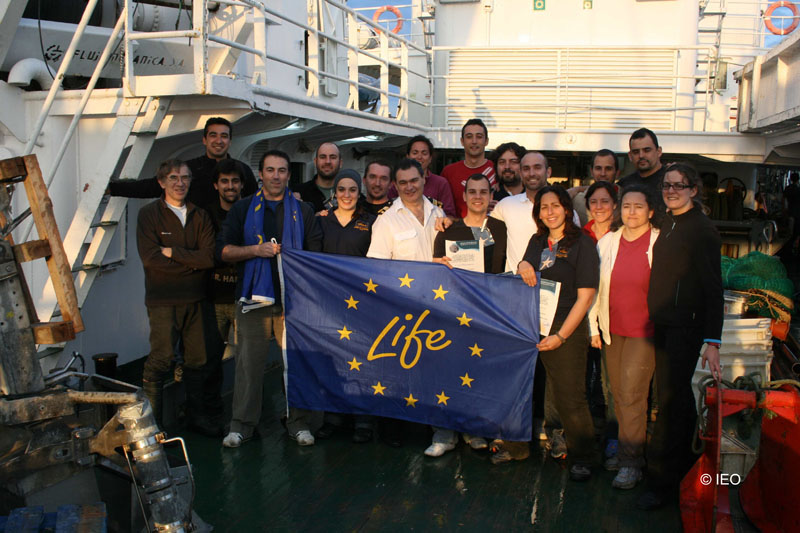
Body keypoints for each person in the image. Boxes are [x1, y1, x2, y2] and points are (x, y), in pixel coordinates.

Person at [218, 150, 324, 448]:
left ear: (289, 175)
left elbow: (315, 255)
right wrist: (256, 250)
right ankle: (242, 426)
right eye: (270, 170)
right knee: (248, 366)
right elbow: (223, 251)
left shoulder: (303, 211)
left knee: (296, 366)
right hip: (253, 300)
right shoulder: (242, 209)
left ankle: (298, 423)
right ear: (260, 174)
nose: (276, 176)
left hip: (293, 302)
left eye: (282, 170)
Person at [638, 163, 723, 510]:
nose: (671, 191)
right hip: (663, 324)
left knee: (671, 403)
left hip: (684, 328)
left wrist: (713, 342)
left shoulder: (702, 230)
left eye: (679, 185)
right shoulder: (670, 223)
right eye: (667, 185)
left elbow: (714, 289)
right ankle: (687, 471)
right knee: (677, 402)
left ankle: (663, 484)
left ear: (693, 190)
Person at [517, 185, 599, 482]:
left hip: (566, 329)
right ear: (537, 213)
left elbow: (585, 298)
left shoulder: (582, 244)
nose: (549, 212)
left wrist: (561, 336)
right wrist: (523, 263)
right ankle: (517, 445)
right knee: (525, 387)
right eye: (543, 207)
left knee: (570, 397)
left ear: (566, 208)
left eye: (555, 205)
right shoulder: (537, 240)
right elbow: (525, 266)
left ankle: (583, 457)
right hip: (534, 325)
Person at [136, 159, 222, 437]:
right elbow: (151, 259)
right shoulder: (149, 215)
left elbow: (208, 258)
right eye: (173, 177)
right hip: (163, 301)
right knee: (161, 359)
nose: (180, 183)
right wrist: (192, 266)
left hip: (196, 300)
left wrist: (173, 253)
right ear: (161, 182)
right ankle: (152, 426)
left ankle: (196, 418)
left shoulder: (199, 215)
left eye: (185, 177)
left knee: (197, 360)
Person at [367, 158, 446, 452]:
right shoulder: (386, 221)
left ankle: (429, 426)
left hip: (436, 306)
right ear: (394, 186)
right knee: (396, 371)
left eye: (414, 180)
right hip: (401, 307)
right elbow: (377, 269)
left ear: (424, 178)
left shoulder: (439, 213)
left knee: (431, 370)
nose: (409, 187)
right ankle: (392, 429)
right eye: (402, 183)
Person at [588, 185, 659, 489]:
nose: (631, 212)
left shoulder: (659, 242)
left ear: (651, 211)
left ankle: (632, 463)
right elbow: (594, 288)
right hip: (611, 330)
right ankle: (624, 452)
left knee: (632, 395)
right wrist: (593, 327)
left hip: (645, 332)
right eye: (627, 206)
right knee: (617, 394)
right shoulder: (608, 242)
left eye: (638, 206)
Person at [317, 169, 378, 444]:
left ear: (359, 192)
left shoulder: (372, 222)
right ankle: (333, 417)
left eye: (352, 189)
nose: (346, 195)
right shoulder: (321, 220)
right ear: (334, 192)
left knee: (362, 359)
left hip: (361, 303)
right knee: (333, 360)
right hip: (330, 302)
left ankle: (363, 420)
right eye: (341, 189)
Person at [109, 117, 258, 209]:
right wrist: (112, 189)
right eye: (213, 135)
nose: (219, 141)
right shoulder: (189, 169)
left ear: (230, 141)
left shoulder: (243, 170)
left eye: (224, 136)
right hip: (198, 239)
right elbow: (152, 187)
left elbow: (255, 204)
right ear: (204, 140)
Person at [434, 173, 507, 275]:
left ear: (491, 196)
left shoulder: (503, 229)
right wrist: (440, 265)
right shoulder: (447, 231)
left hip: (495, 285)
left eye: (483, 192)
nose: (478, 197)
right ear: (464, 196)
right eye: (472, 192)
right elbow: (436, 269)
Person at [441, 118, 497, 217]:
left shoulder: (497, 170)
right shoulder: (449, 172)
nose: (474, 141)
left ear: (486, 141)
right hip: (458, 226)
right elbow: (442, 207)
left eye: (479, 137)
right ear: (462, 141)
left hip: (492, 225)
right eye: (469, 137)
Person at [390, 135, 457, 216]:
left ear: (430, 158)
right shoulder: (399, 182)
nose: (419, 157)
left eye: (424, 153)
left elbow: (449, 214)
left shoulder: (441, 183)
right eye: (415, 153)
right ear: (407, 156)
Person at [618, 128, 667, 206]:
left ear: (659, 151)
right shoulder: (624, 185)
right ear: (630, 156)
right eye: (636, 152)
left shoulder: (671, 181)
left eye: (647, 150)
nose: (641, 155)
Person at [571, 149, 621, 225]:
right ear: (591, 172)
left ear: (617, 173)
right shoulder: (577, 201)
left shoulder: (626, 199)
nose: (603, 173)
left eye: (608, 169)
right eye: (598, 168)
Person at [296, 142, 342, 212]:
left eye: (333, 157)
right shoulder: (299, 193)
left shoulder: (352, 195)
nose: (327, 161)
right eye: (323, 157)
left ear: (340, 163)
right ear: (315, 162)